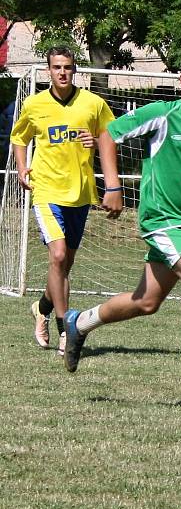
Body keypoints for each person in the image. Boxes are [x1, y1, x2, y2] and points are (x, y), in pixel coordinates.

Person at [62, 49, 181, 403]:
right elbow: (107, 135)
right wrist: (112, 186)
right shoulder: (163, 114)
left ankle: (80, 321)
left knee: (146, 302)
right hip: (160, 218)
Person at [10, 46, 123, 354]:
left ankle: (41, 308)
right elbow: (19, 138)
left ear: (75, 70)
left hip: (81, 191)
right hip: (46, 191)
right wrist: (22, 168)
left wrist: (96, 140)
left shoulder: (93, 104)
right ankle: (66, 330)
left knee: (63, 266)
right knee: (58, 257)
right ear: (49, 70)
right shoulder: (35, 104)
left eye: (68, 67)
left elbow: (110, 136)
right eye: (57, 67)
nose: (63, 72)